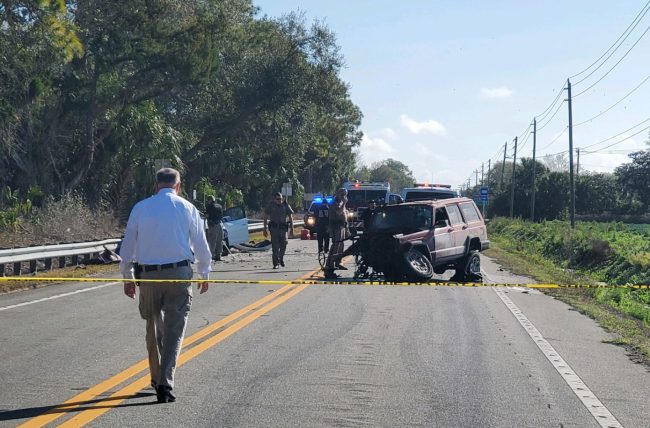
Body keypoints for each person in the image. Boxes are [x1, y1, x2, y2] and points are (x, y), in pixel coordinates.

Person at [120, 168, 211, 404]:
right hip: (179, 274)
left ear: (156, 185)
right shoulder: (187, 208)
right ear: (178, 186)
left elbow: (128, 245)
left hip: (148, 276)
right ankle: (165, 383)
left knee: (152, 325)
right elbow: (201, 242)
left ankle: (156, 377)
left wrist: (128, 276)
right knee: (174, 331)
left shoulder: (141, 207)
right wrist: (204, 272)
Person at [263, 192, 294, 269]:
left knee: (284, 245)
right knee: (275, 247)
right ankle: (275, 263)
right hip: (274, 229)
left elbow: (290, 217)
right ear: (274, 199)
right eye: (277, 199)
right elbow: (265, 216)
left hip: (283, 229)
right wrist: (264, 228)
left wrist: (292, 228)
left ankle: (281, 258)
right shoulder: (271, 205)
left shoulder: (285, 205)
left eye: (280, 199)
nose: (279, 200)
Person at [324, 188, 348, 279]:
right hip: (336, 227)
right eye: (341, 194)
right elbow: (338, 212)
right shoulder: (334, 203)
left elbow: (344, 213)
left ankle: (338, 262)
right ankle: (329, 265)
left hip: (342, 227)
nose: (343, 196)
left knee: (341, 245)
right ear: (337, 194)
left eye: (345, 194)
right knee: (335, 246)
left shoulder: (341, 202)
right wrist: (344, 203)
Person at [204, 195, 224, 261]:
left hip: (213, 225)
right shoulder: (219, 206)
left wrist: (205, 214)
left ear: (209, 200)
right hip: (220, 225)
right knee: (219, 241)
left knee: (212, 241)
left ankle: (211, 256)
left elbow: (207, 216)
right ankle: (218, 256)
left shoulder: (209, 206)